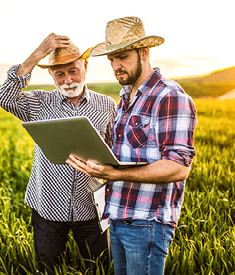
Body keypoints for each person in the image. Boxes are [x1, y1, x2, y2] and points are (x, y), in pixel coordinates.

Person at [66, 17, 198, 275]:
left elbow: (178, 167)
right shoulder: (126, 98)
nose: (116, 65)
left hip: (147, 223)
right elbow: (123, 153)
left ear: (144, 52)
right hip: (116, 215)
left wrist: (114, 174)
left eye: (123, 57)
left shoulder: (169, 97)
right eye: (112, 59)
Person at [0, 33, 116, 273]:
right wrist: (39, 53)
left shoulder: (107, 106)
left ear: (86, 66)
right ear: (50, 75)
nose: (68, 79)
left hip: (91, 208)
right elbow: (4, 97)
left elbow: (113, 153)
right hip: (47, 208)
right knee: (48, 269)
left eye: (73, 71)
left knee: (101, 268)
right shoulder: (39, 102)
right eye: (59, 74)